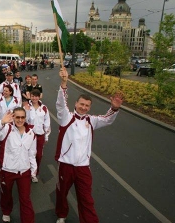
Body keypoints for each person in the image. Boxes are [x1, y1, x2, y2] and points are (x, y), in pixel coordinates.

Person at [55, 68, 123, 223]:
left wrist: (115, 108)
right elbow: (60, 104)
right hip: (66, 164)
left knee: (86, 199)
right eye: (81, 104)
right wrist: (64, 83)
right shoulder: (67, 118)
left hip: (83, 167)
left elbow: (107, 119)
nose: (84, 107)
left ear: (90, 107)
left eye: (87, 105)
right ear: (76, 103)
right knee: (62, 192)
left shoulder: (91, 120)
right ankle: (61, 214)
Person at [0, 107, 37, 223]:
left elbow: (32, 153)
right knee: (6, 195)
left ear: (25, 118)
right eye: (17, 117)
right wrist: (2, 122)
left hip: (24, 171)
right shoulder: (6, 129)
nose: (20, 120)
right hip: (7, 170)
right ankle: (6, 211)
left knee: (25, 199)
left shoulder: (31, 133)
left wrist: (33, 170)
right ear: (13, 117)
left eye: (22, 117)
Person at [24, 89, 51, 183]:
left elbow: (47, 122)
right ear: (30, 97)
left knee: (38, 155)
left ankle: (35, 173)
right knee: (29, 155)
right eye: (32, 96)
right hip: (29, 135)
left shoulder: (44, 108)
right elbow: (24, 120)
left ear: (39, 97)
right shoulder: (26, 106)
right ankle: (28, 172)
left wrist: (46, 136)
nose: (34, 98)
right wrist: (26, 111)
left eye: (36, 96)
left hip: (40, 135)